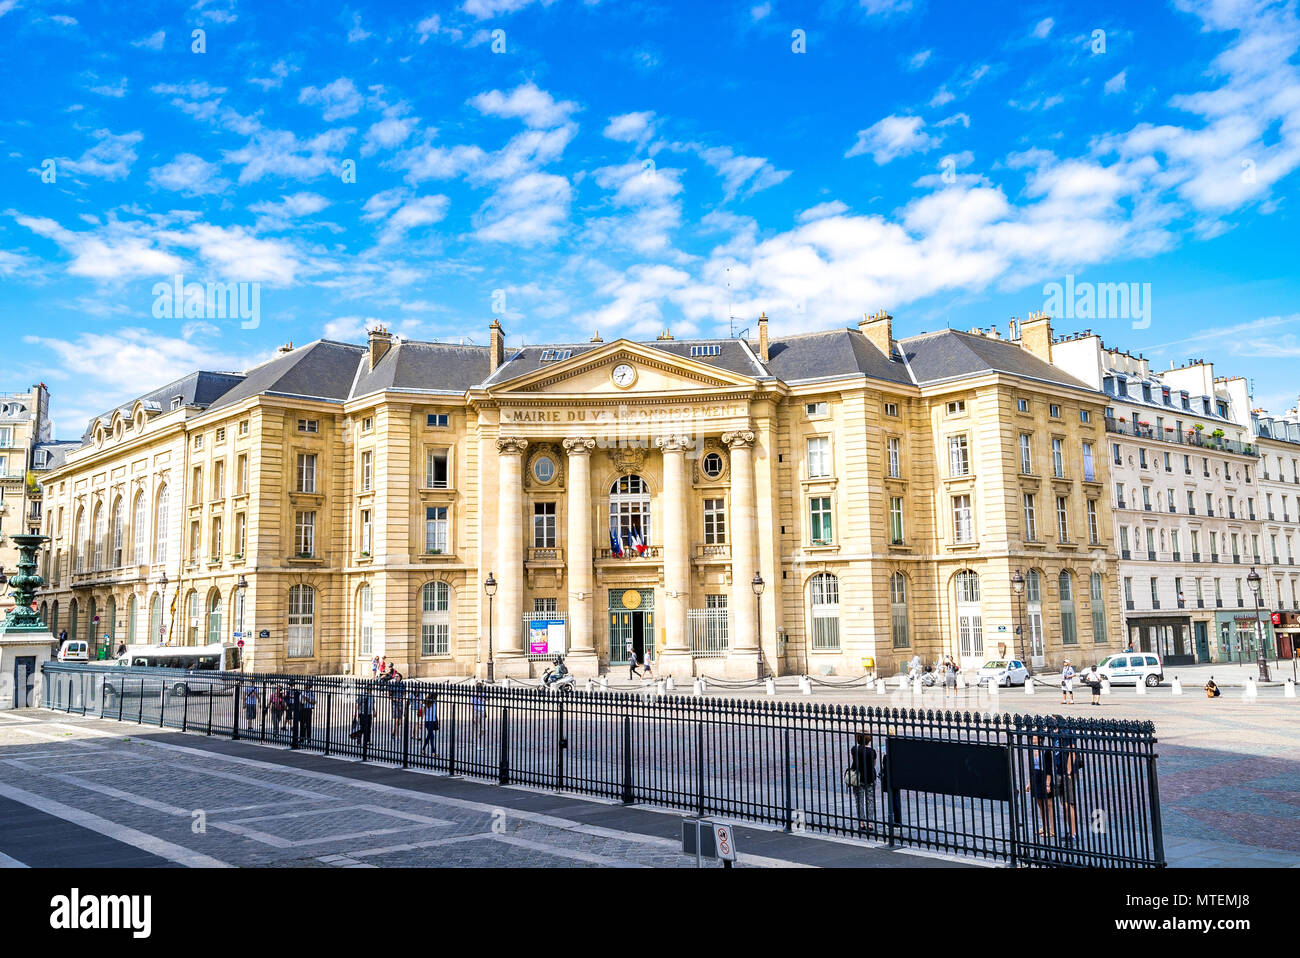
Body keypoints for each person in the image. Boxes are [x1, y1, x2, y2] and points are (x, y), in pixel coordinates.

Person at [1051, 720, 1080, 846]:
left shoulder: (1067, 733)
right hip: (1058, 772)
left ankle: (1074, 834)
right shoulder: (1055, 734)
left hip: (1067, 773)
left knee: (1069, 804)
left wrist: (1068, 771)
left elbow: (1073, 753)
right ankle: (1070, 831)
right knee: (1064, 804)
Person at [847, 731, 878, 834]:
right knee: (870, 800)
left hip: (858, 778)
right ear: (869, 740)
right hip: (869, 778)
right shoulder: (872, 751)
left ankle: (861, 823)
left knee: (859, 800)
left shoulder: (854, 749)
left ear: (858, 739)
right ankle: (870, 823)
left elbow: (854, 761)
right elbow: (873, 764)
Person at [1025, 733, 1055, 839]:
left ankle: (1052, 829)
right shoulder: (1033, 750)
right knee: (1040, 804)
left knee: (1049, 805)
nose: (1033, 738)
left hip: (1045, 777)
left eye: (1035, 737)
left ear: (1040, 739)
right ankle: (1045, 827)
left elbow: (1049, 768)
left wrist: (1048, 784)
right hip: (1036, 777)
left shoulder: (1046, 751)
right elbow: (1032, 768)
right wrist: (1029, 782)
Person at [354, 683, 374, 748]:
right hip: (362, 713)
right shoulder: (362, 695)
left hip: (369, 713)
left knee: (368, 727)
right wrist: (356, 712)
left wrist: (374, 710)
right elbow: (357, 703)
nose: (370, 691)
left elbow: (372, 703)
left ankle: (367, 741)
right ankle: (359, 736)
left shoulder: (372, 695)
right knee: (363, 727)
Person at [471, 680, 486, 750]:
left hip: (482, 712)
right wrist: (473, 716)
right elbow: (472, 705)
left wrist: (482, 697)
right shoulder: (473, 695)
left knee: (483, 729)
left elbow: (486, 701)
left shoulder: (483, 694)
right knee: (477, 729)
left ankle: (476, 739)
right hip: (476, 712)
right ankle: (478, 744)